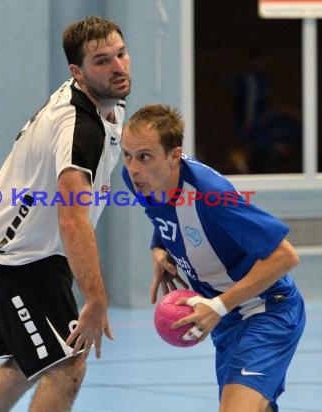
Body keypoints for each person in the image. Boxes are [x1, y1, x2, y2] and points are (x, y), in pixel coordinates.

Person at [0, 16, 131, 411]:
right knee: (68, 365)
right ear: (77, 72)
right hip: (19, 257)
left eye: (121, 54)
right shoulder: (79, 127)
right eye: (103, 61)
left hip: (38, 250)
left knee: (29, 364)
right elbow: (71, 217)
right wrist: (96, 297)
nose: (118, 68)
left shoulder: (110, 103)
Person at [121, 104, 305, 412]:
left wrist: (218, 306)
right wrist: (159, 250)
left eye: (144, 156)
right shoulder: (141, 181)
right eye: (127, 155)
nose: (132, 167)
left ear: (174, 156)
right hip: (226, 321)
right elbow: (164, 218)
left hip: (267, 311)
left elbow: (285, 257)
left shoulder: (212, 196)